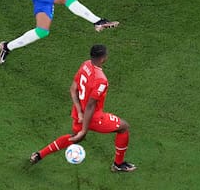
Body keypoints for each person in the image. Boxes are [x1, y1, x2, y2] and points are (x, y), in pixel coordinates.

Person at [29, 44, 137, 172]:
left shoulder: (85, 65)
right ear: (103, 59)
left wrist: (79, 111)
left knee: (74, 137)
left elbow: (73, 89)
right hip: (93, 117)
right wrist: (85, 130)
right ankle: (118, 164)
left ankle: (39, 154)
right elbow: (91, 106)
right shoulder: (101, 80)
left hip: (78, 113)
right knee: (124, 127)